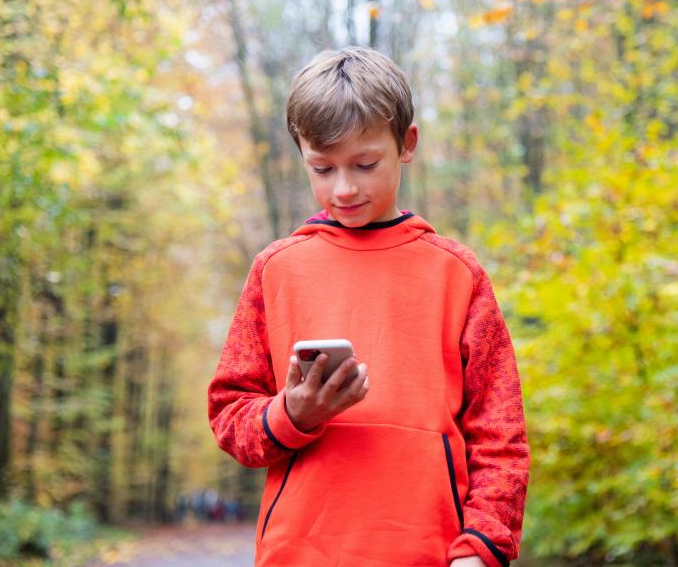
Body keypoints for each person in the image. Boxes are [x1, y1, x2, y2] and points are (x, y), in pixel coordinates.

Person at [207, 46, 529, 566]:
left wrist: (482, 545)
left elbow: (501, 434)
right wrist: (291, 414)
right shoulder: (275, 270)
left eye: (364, 164)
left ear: (407, 144)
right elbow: (229, 416)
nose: (345, 187)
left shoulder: (457, 274)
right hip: (300, 553)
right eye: (323, 168)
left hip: (430, 553)